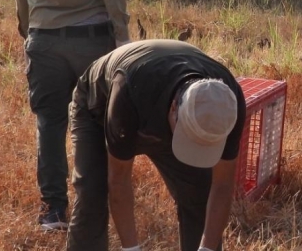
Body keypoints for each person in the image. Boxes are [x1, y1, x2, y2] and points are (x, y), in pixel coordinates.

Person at [14, 0, 129, 230]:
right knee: (93, 125)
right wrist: (122, 40)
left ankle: (53, 210)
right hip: (91, 41)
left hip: (44, 38)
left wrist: (28, 28)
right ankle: (90, 207)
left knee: (49, 124)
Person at [66, 40, 247, 251]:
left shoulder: (227, 105)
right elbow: (119, 180)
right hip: (97, 107)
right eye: (189, 140)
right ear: (173, 109)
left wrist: (206, 248)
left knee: (199, 193)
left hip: (158, 105)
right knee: (92, 193)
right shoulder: (129, 92)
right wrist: (131, 249)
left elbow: (222, 185)